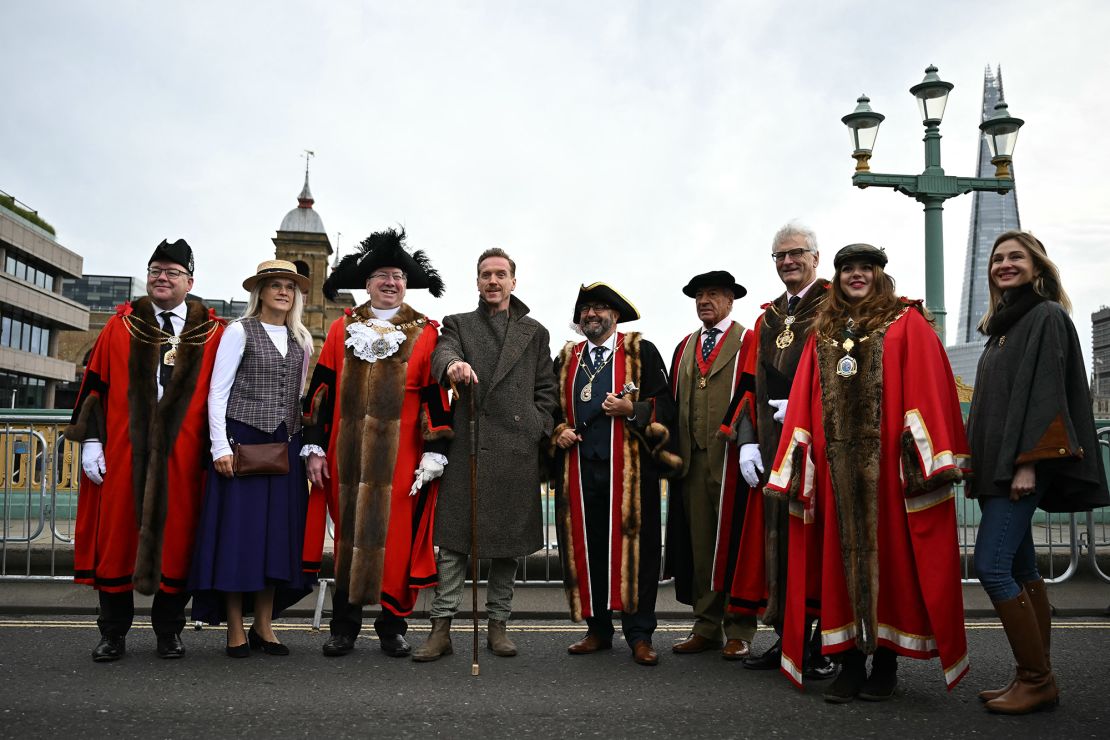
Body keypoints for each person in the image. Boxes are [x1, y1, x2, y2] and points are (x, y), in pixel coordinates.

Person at [766, 243, 970, 703]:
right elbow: (805, 397)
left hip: (887, 476)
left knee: (892, 567)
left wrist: (921, 459)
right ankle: (850, 664)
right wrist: (801, 457)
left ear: (880, 275)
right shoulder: (826, 331)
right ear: (837, 278)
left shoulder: (906, 323)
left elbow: (927, 388)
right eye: (848, 270)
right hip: (837, 475)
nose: (856, 275)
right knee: (838, 569)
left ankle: (886, 664)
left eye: (866, 268)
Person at [966, 230, 1109, 714]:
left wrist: (1028, 462)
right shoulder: (1002, 326)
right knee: (1022, 568)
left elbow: (1046, 392)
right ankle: (1035, 677)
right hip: (996, 466)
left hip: (1018, 469)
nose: (1005, 265)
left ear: (1037, 266)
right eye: (998, 258)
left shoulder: (1044, 316)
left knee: (989, 565)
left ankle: (1036, 677)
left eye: (1016, 258)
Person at [66, 239, 224, 661]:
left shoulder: (213, 333)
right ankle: (112, 633)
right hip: (124, 451)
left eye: (172, 272)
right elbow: (95, 387)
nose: (162, 277)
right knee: (117, 540)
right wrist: (92, 441)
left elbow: (225, 395)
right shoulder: (120, 326)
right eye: (156, 269)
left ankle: (168, 632)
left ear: (190, 281)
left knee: (178, 542)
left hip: (185, 457)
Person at [301, 229, 453, 658]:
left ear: (407, 284)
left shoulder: (425, 333)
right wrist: (313, 445)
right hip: (346, 454)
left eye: (398, 276)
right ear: (366, 284)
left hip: (401, 457)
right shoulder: (341, 329)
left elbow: (433, 396)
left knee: (397, 541)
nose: (391, 282)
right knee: (347, 539)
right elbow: (320, 390)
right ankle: (344, 626)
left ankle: (392, 626)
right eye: (382, 275)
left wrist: (435, 448)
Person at [412, 247, 559, 661]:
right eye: (485, 275)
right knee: (455, 544)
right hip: (469, 449)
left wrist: (536, 426)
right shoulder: (458, 324)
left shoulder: (535, 332)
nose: (492, 281)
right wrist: (453, 366)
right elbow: (442, 352)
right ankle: (440, 629)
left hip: (516, 449)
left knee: (507, 546)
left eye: (500, 274)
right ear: (477, 282)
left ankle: (498, 626)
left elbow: (546, 391)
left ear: (514, 281)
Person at [188, 260, 316, 657]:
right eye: (274, 285)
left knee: (276, 540)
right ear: (259, 291)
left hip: (286, 445)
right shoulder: (238, 332)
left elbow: (298, 397)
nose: (283, 291)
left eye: (289, 287)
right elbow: (217, 392)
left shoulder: (302, 338)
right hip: (243, 442)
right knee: (239, 538)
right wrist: (219, 447)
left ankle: (264, 625)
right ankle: (234, 628)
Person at [725, 223, 834, 679]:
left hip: (820, 449)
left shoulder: (835, 306)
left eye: (795, 254)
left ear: (815, 256)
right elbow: (750, 387)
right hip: (773, 448)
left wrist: (809, 403)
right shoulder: (766, 319)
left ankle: (825, 642)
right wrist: (747, 439)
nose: (787, 262)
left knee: (819, 546)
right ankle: (788, 638)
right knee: (783, 545)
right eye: (779, 256)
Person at [551, 283, 680, 666]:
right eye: (585, 309)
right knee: (587, 550)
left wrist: (633, 409)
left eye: (600, 309)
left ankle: (640, 635)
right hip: (579, 471)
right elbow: (549, 408)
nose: (591, 315)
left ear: (616, 315)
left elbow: (667, 406)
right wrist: (558, 431)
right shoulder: (567, 358)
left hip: (630, 474)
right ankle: (598, 630)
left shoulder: (641, 352)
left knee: (635, 555)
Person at [664, 270, 758, 660]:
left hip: (733, 461)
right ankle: (706, 625)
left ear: (730, 300)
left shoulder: (749, 340)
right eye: (700, 295)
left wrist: (752, 445)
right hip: (692, 460)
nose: (705, 301)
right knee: (700, 545)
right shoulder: (685, 346)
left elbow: (755, 393)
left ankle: (739, 628)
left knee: (735, 544)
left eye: (714, 294)